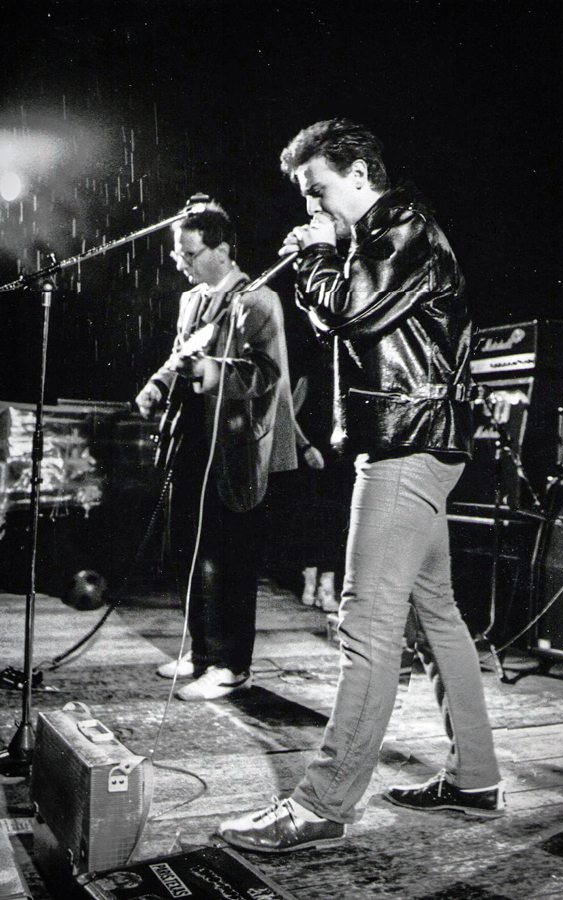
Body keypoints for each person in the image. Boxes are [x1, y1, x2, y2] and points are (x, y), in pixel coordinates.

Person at [219, 118, 503, 853]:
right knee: (434, 614)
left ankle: (321, 805)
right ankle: (475, 778)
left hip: (406, 446)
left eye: (317, 190)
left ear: (357, 174)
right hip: (416, 442)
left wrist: (318, 253)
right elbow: (342, 318)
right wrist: (325, 256)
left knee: (365, 622)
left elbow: (349, 309)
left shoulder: (403, 227)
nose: (310, 205)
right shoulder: (374, 240)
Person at [136, 199, 297, 700]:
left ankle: (231, 665)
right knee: (188, 548)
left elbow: (267, 375)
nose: (180, 262)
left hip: (234, 450)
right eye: (178, 253)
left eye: (189, 253)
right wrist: (158, 384)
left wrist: (211, 372)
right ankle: (203, 651)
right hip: (191, 441)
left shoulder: (258, 300)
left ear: (222, 251)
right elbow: (179, 355)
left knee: (228, 558)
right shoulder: (192, 300)